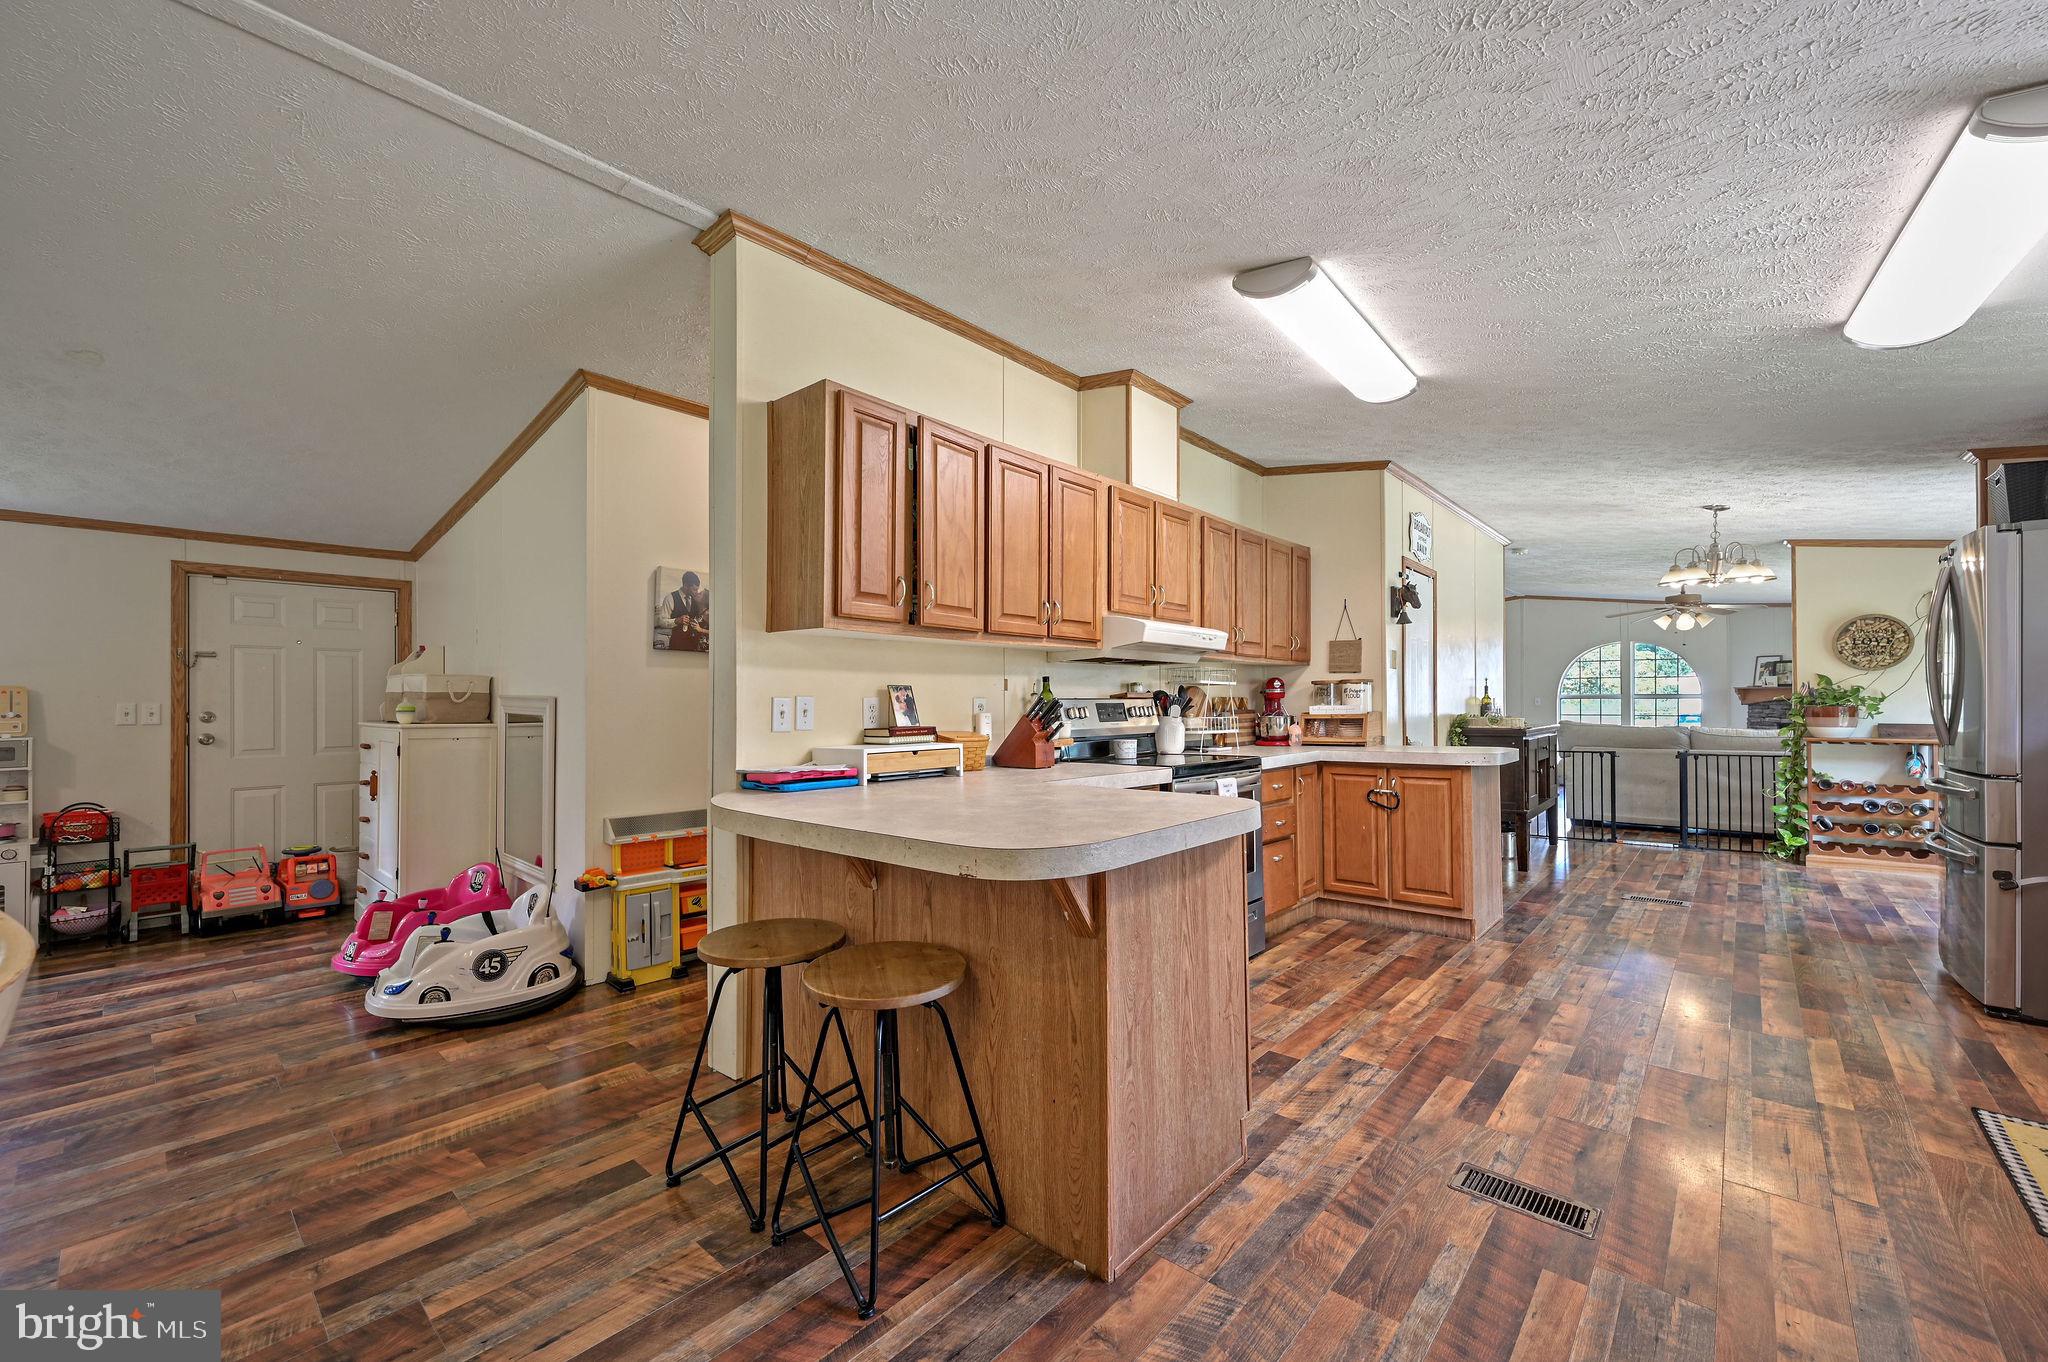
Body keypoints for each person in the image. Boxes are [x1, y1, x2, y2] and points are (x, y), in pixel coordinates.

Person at [662, 572, 710, 652]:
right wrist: (676, 621)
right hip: (676, 646)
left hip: (694, 647)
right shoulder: (670, 598)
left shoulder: (696, 600)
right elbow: (661, 621)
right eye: (694, 589)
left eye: (697, 589)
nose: (696, 592)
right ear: (686, 586)